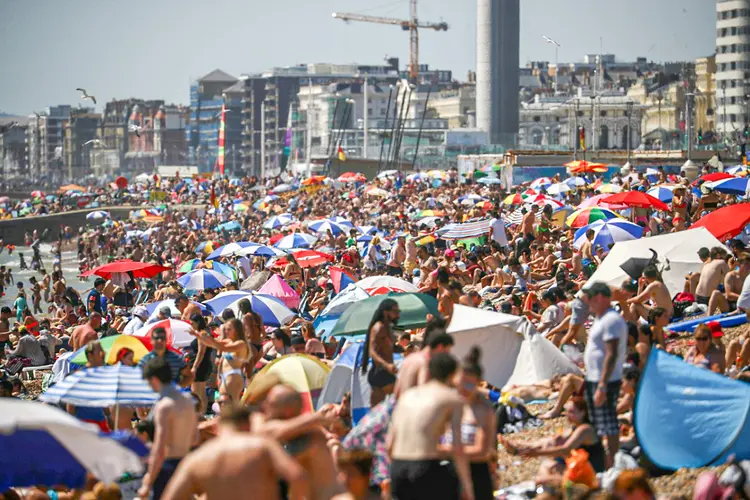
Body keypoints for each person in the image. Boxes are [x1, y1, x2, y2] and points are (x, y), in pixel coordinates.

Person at [160, 404, 309, 500]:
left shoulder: (197, 459)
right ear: (248, 426)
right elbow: (297, 476)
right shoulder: (262, 446)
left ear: (217, 428)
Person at [388, 352, 474, 500]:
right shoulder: (452, 398)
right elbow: (457, 447)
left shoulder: (407, 396)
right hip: (425, 468)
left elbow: (389, 444)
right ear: (453, 374)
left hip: (398, 466)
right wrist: (467, 486)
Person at [262, 384, 343, 500]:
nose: (265, 406)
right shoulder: (303, 429)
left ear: (287, 411)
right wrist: (315, 418)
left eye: (271, 403)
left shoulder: (310, 436)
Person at [138, 357, 198, 500]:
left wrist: (148, 480)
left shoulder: (164, 406)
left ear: (154, 380)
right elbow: (195, 439)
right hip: (186, 464)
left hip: (167, 467)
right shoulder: (188, 401)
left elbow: (160, 447)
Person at [583, 282, 628, 469]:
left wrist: (602, 384)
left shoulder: (611, 320)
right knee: (599, 422)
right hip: (595, 377)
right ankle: (605, 461)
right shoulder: (600, 318)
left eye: (591, 299)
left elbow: (612, 353)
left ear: (600, 298)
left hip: (606, 380)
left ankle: (613, 462)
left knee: (609, 424)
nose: (588, 303)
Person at [502, 397, 606, 474]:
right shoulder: (576, 426)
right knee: (551, 442)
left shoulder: (585, 429)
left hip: (591, 469)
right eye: (566, 411)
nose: (567, 415)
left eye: (571, 412)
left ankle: (519, 449)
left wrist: (537, 453)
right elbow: (558, 439)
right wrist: (554, 440)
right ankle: (519, 447)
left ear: (583, 413)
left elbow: (565, 449)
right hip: (580, 462)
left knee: (547, 466)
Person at [445, 347, 496, 500]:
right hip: (450, 472)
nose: (464, 390)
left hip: (476, 472)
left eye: (469, 385)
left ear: (478, 384)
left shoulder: (483, 410)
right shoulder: (450, 404)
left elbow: (482, 451)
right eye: (460, 384)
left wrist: (442, 451)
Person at [190, 318, 249, 401]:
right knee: (225, 404)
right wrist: (198, 336)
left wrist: (205, 337)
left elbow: (221, 347)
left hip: (233, 376)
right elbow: (212, 344)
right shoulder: (228, 341)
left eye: (229, 329)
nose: (226, 332)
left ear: (236, 330)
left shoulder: (240, 344)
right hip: (225, 375)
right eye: (225, 329)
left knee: (229, 403)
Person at [394, 316, 453, 398]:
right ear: (440, 347)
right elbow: (424, 395)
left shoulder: (410, 358)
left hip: (401, 407)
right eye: (448, 349)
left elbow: (396, 393)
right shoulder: (427, 363)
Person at [361, 298, 400, 407]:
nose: (398, 315)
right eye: (395, 312)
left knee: (377, 410)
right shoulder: (379, 328)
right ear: (386, 312)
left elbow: (386, 347)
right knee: (398, 402)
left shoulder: (387, 327)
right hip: (380, 373)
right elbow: (372, 352)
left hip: (384, 373)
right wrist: (387, 365)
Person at [187, 313, 214, 414]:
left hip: (201, 365)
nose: (191, 326)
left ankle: (199, 414)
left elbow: (201, 352)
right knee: (201, 392)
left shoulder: (202, 333)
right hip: (204, 364)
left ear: (198, 323)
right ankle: (202, 413)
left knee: (196, 392)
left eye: (192, 323)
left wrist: (194, 367)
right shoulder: (206, 332)